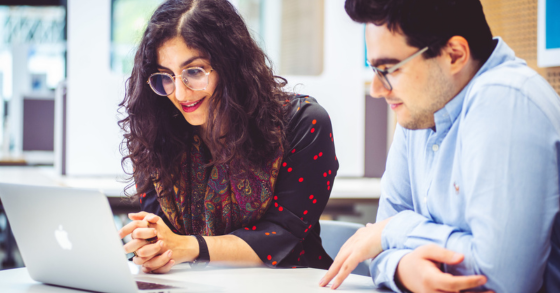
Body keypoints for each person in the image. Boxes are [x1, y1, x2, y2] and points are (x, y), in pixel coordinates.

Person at [320, 0, 560, 292]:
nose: (377, 89)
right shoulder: (422, 110)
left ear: (454, 55)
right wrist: (404, 269)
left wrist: (397, 231)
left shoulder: (506, 100)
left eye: (389, 69)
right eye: (375, 69)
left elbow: (502, 279)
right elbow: (375, 248)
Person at [117, 0, 338, 274]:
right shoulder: (158, 132)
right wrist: (152, 248)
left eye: (194, 72)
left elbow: (281, 236)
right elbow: (162, 234)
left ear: (231, 65)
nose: (181, 94)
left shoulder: (304, 123)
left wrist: (190, 247)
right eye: (166, 76)